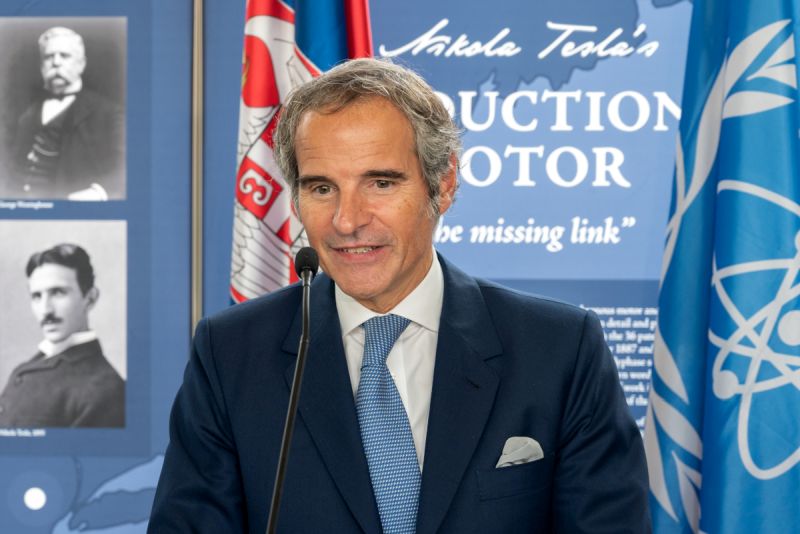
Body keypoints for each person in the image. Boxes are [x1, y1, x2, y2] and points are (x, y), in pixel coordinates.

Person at [150, 59, 650, 533]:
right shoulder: (231, 353)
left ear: (444, 184)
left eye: (381, 183)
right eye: (322, 188)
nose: (347, 220)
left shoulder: (559, 349)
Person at [0, 244, 124, 428]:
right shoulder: (27, 367)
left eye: (58, 293)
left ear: (90, 298)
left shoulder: (106, 389)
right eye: (37, 296)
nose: (45, 310)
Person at [6, 26, 124, 200]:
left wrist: (99, 192)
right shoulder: (27, 115)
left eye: (65, 56)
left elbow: (127, 168)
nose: (56, 62)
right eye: (48, 57)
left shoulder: (107, 113)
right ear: (42, 67)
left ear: (81, 64)